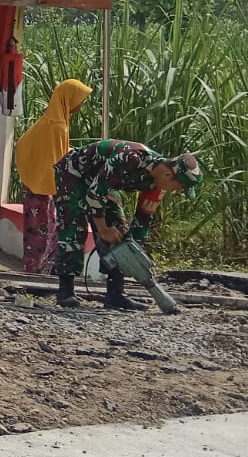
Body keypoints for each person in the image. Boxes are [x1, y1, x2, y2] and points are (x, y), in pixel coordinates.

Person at [52, 141, 202, 310]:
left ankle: (115, 294)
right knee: (73, 228)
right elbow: (95, 194)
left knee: (119, 230)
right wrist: (103, 229)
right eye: (179, 187)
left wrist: (134, 253)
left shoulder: (158, 185)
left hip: (104, 182)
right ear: (168, 175)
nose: (176, 191)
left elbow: (143, 219)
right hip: (74, 173)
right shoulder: (129, 158)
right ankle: (66, 292)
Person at [15, 79, 93, 273]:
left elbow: (30, 146)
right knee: (45, 230)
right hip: (45, 188)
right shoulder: (57, 126)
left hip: (37, 184)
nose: (81, 105)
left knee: (39, 230)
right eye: (80, 99)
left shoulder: (51, 120)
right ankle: (40, 270)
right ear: (69, 98)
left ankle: (36, 267)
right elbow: (58, 158)